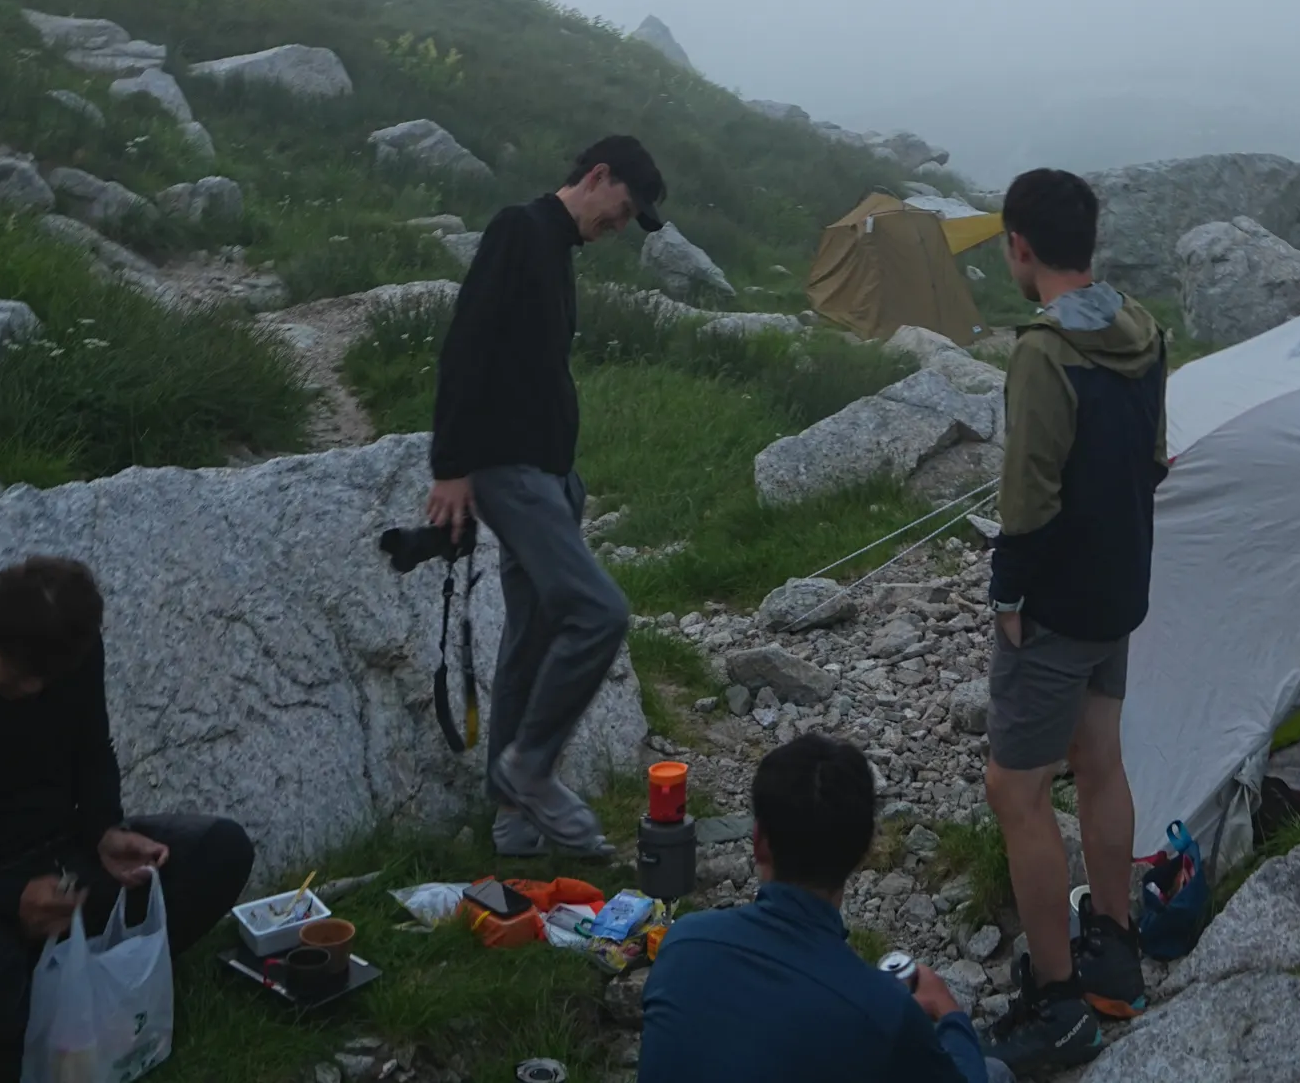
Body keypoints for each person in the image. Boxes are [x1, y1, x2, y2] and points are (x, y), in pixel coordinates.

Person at [427, 132, 667, 860]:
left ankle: (511, 821)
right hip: (510, 472)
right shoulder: (519, 230)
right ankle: (531, 767)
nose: (617, 228)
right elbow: (466, 344)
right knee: (598, 613)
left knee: (529, 639)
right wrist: (452, 467)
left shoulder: (557, 250)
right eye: (620, 211)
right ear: (597, 176)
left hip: (551, 477)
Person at [983, 167, 1168, 1074]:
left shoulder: (1044, 352)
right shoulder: (1145, 333)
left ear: (1020, 246)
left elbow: (1028, 499)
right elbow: (1156, 461)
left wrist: (1010, 596)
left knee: (1015, 792)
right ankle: (1116, 953)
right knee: (1101, 761)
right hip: (1118, 593)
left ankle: (1056, 1002)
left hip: (1056, 604)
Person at [0, 556, 253, 1083]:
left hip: (65, 859)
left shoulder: (71, 654)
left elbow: (93, 753)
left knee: (221, 850)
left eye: (45, 678)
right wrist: (10, 896)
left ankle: (70, 983)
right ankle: (46, 996)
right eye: (19, 675)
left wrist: (106, 831)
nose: (34, 688)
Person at [639, 733, 1008, 1083]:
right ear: (864, 851)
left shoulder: (683, 943)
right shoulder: (885, 1014)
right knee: (992, 1070)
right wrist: (951, 1014)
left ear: (758, 842)